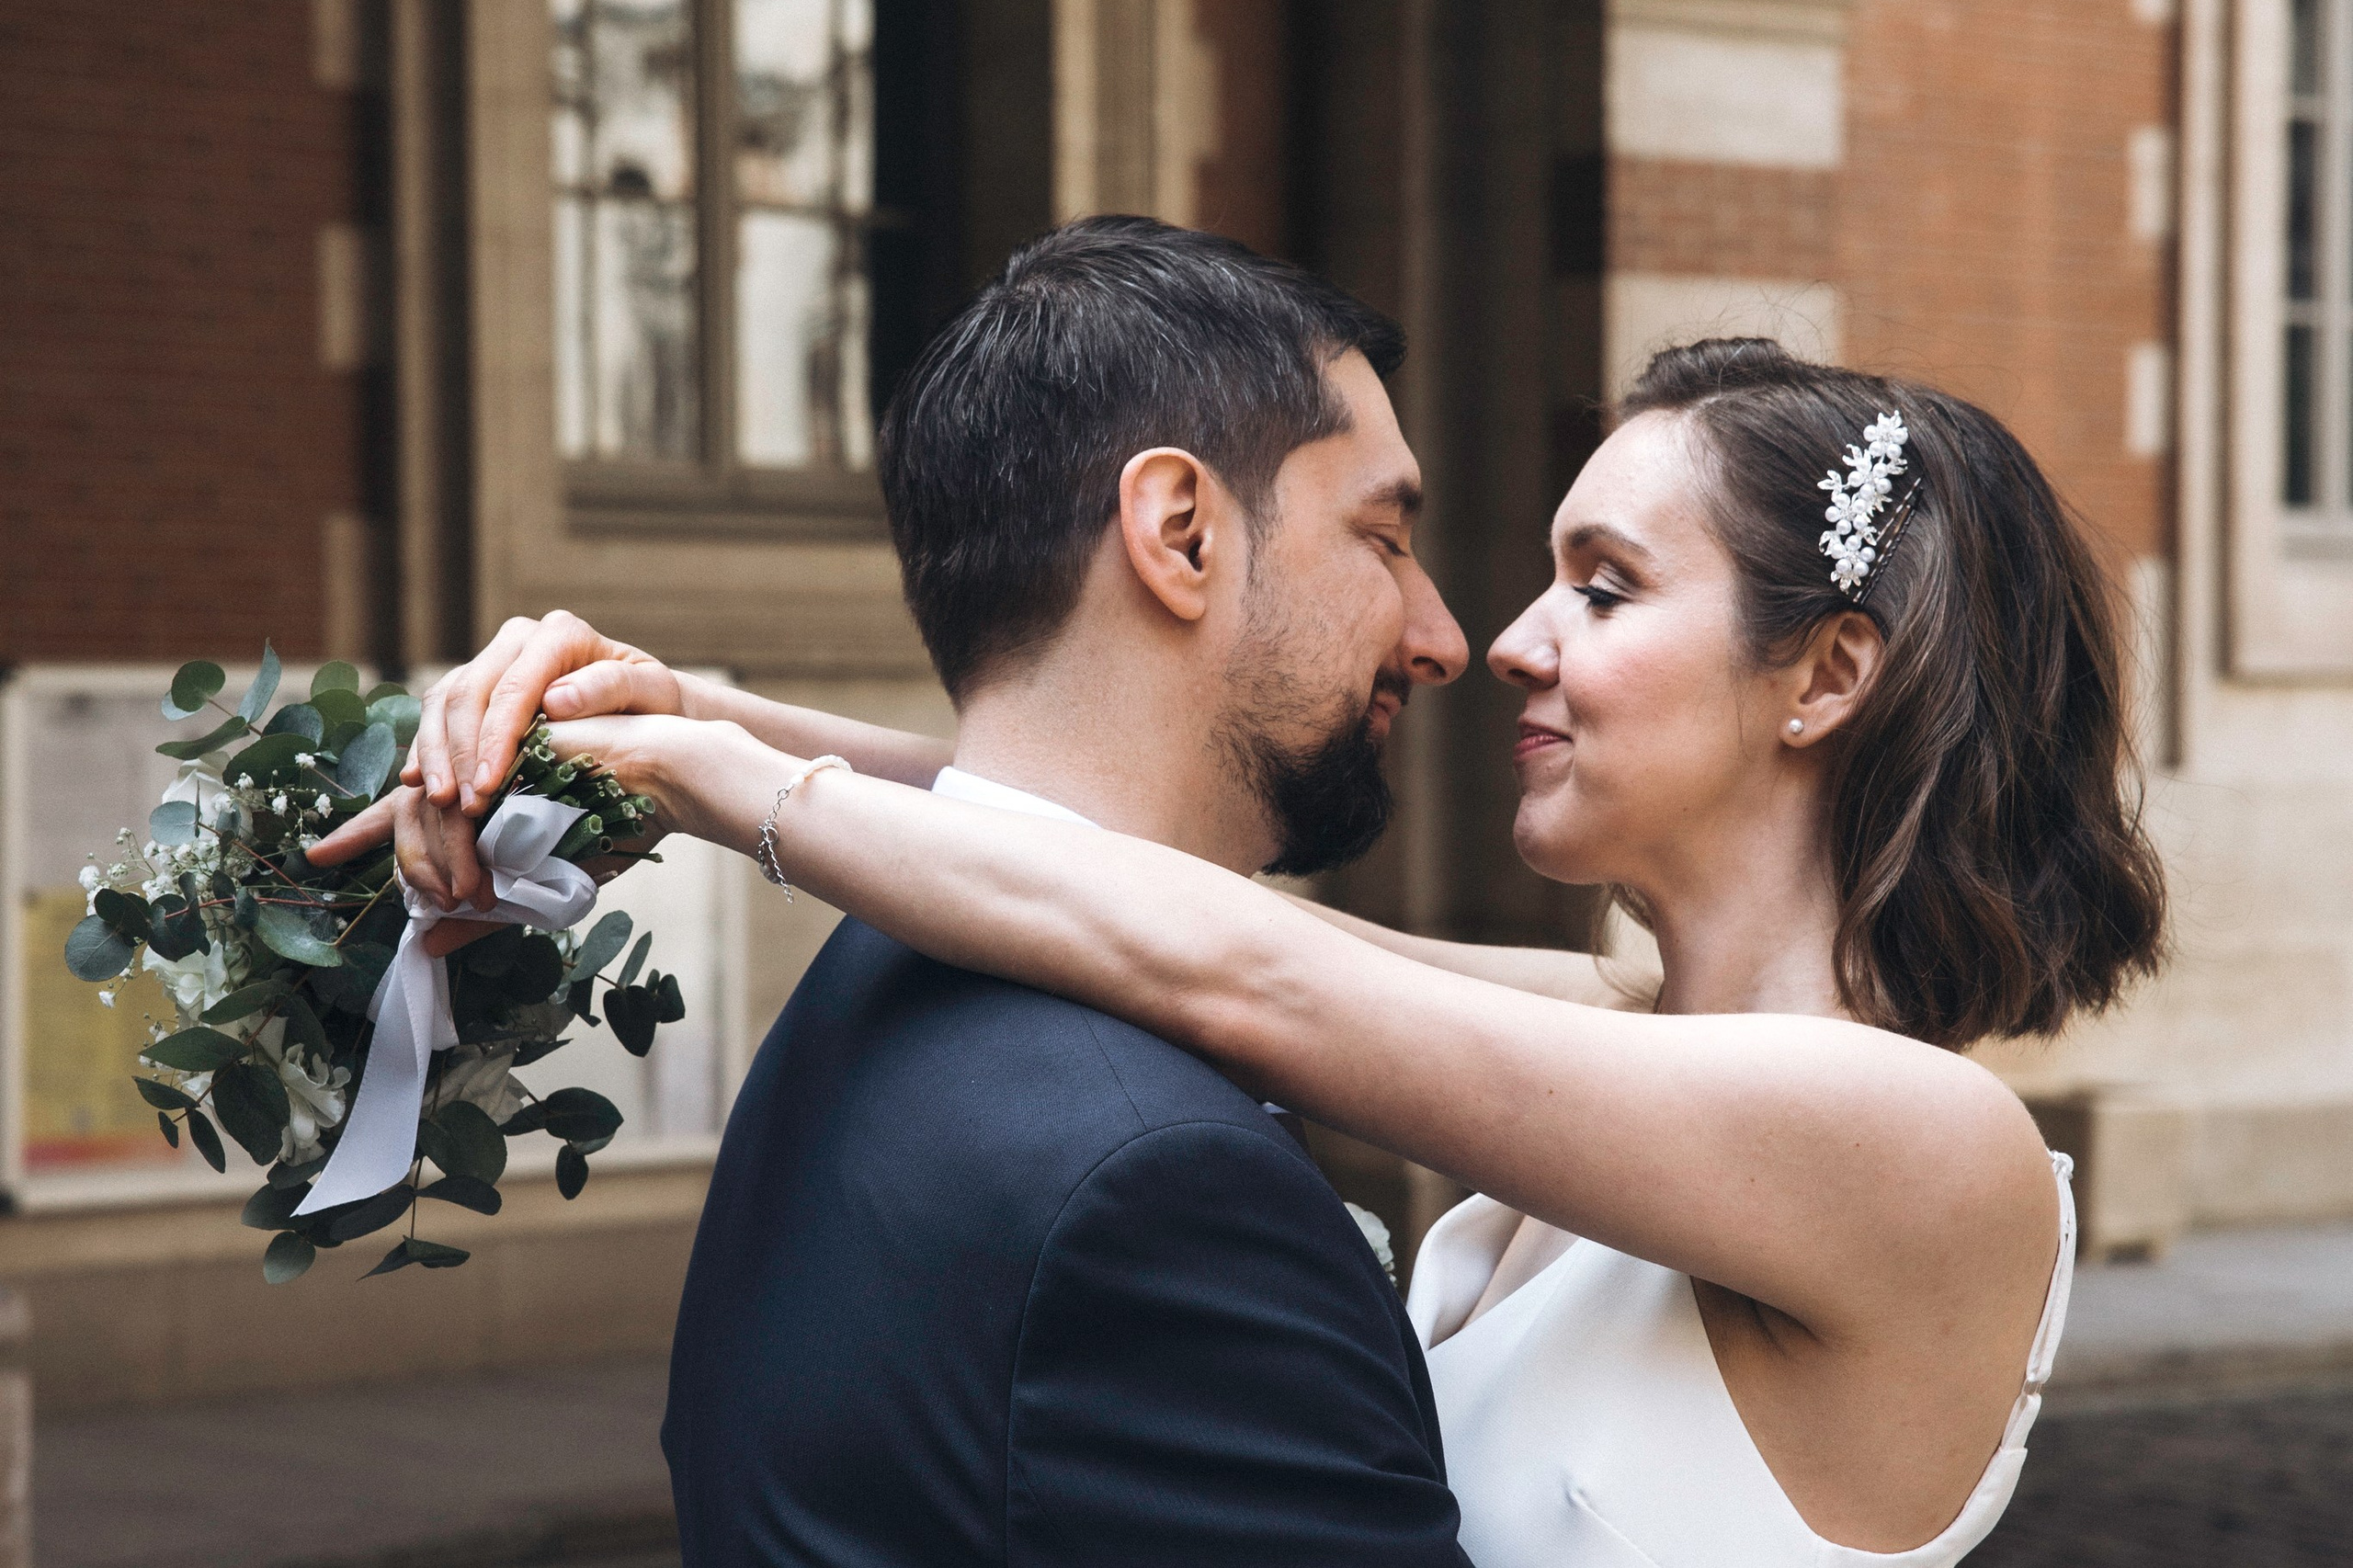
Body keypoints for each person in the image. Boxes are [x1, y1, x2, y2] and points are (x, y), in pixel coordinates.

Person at [324, 323, 2169, 1560]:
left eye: (1599, 588)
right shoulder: (1629, 1026)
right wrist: (657, 707)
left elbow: (1228, 970)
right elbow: (1142, 889)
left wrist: (732, 790)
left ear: (1825, 675)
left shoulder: (1922, 1156)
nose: (1506, 640)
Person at [328, 217, 1480, 1565]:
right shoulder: (1160, 1179)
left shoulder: (876, 981)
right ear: (1180, 532)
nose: (1445, 635)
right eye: (1385, 538)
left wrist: (711, 723)